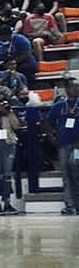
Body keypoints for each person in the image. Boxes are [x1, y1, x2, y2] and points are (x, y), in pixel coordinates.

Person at [45, 77, 79, 215]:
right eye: (73, 86)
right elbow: (47, 122)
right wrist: (52, 137)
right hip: (63, 145)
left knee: (75, 169)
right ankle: (70, 205)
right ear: (66, 88)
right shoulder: (59, 106)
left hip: (78, 145)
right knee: (66, 175)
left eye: (78, 86)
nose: (76, 89)